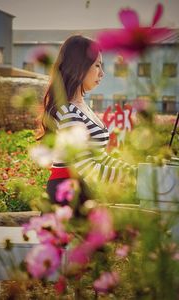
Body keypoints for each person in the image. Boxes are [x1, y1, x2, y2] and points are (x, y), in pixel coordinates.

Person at [40, 35, 131, 207]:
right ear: (78, 67)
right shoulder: (67, 112)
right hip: (67, 195)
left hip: (81, 190)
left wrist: (135, 171)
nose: (102, 73)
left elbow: (101, 157)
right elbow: (85, 166)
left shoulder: (82, 107)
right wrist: (131, 179)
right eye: (97, 65)